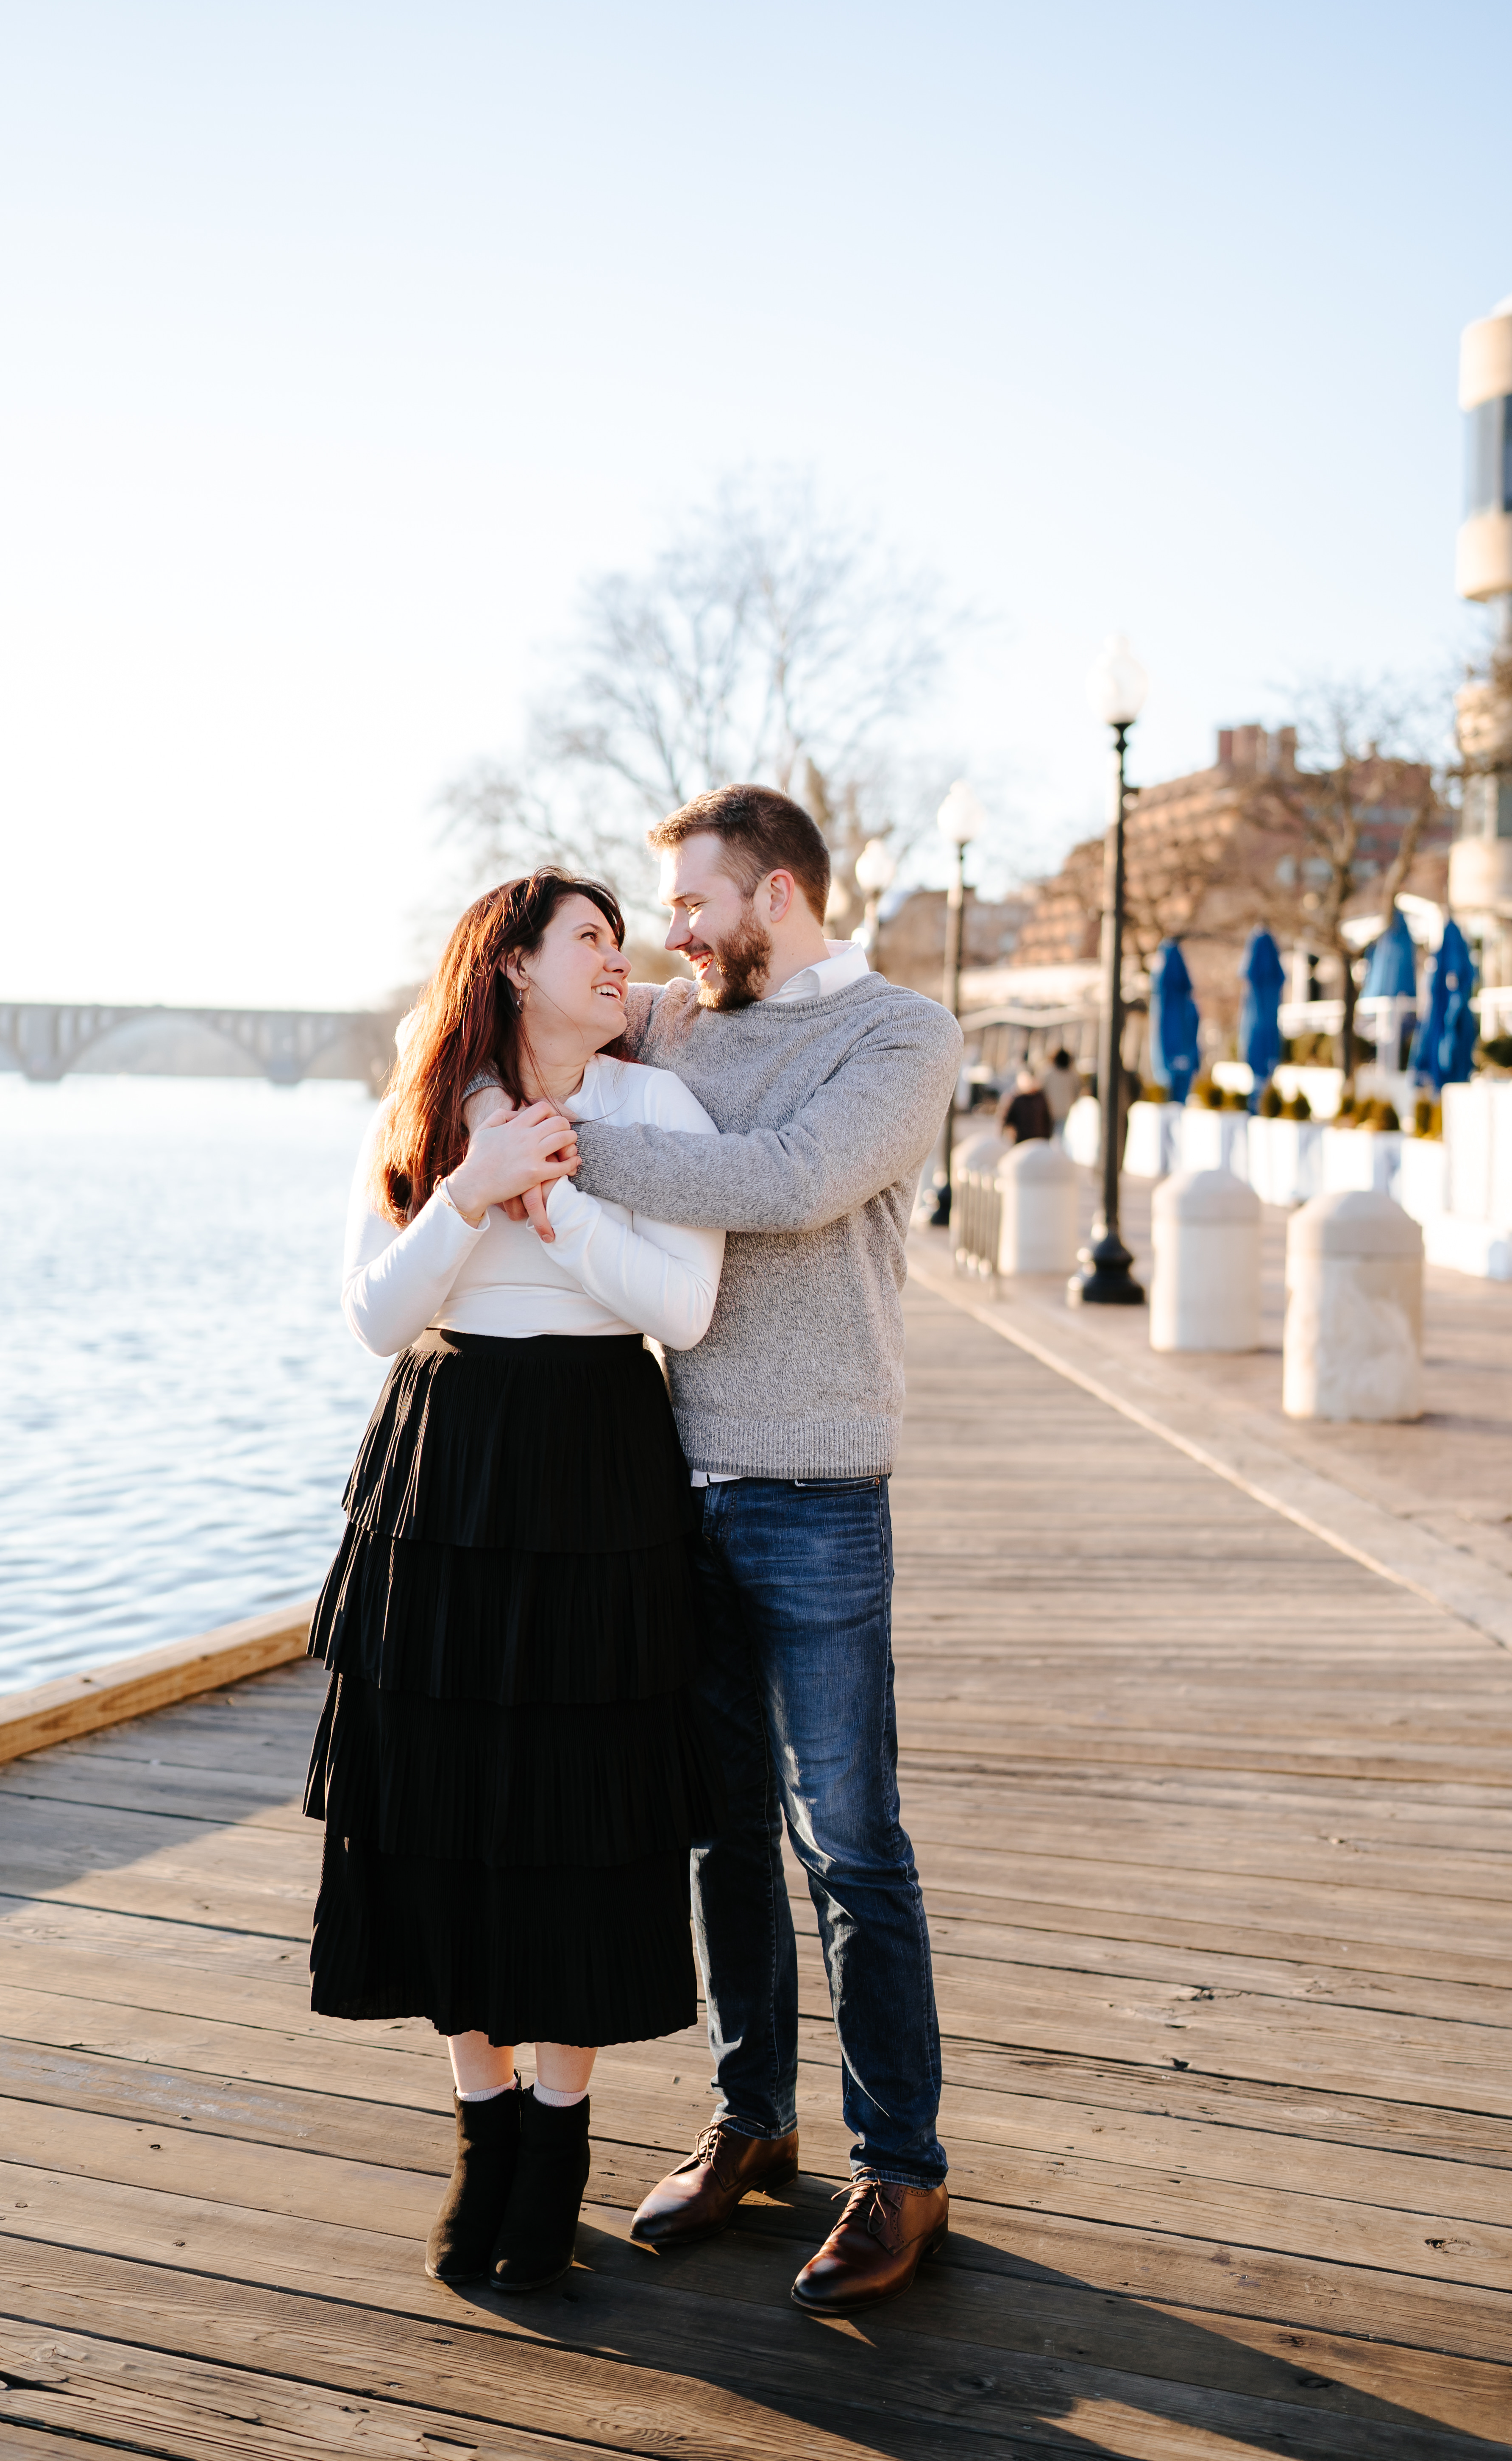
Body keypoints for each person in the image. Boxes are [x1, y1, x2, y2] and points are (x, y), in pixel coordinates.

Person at [540, 784, 962, 2316]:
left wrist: (566, 1155)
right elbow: (522, 1002)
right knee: (719, 1828)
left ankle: (899, 2163)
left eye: (696, 903)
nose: (671, 934)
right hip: (675, 1487)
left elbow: (785, 1186)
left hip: (820, 1486)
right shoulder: (671, 1016)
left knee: (847, 1840)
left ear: (777, 892)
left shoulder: (899, 1037)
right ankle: (751, 2119)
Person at [304, 869, 724, 2294]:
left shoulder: (658, 1112)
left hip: (597, 1467)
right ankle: (481, 2128)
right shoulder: (420, 1113)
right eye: (593, 939)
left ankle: (557, 2137)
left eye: (622, 937)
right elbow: (376, 1317)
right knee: (439, 1804)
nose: (624, 960)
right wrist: (474, 1195)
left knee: (580, 1813)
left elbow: (681, 1309)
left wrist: (563, 1219)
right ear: (515, 965)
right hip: (444, 1469)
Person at [997, 1065, 1053, 1143]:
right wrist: (1003, 1136)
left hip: (1039, 1141)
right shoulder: (1015, 1099)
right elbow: (1005, 1119)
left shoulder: (1040, 1097)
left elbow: (1048, 1119)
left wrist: (1047, 1138)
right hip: (1020, 1141)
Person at [1040, 1045, 1078, 1126]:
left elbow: (1043, 1090)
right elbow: (1077, 1090)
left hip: (1051, 1110)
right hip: (1067, 1109)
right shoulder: (1073, 1074)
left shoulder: (1049, 1073)